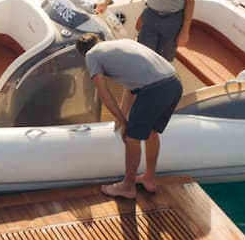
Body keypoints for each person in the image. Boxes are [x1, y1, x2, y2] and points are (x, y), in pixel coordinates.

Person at [75, 33, 183, 200]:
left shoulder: (91, 55)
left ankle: (127, 187)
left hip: (154, 90)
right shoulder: (122, 44)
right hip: (174, 84)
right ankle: (149, 178)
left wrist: (125, 123)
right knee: (151, 132)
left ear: (82, 54)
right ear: (100, 41)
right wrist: (122, 117)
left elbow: (104, 95)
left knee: (133, 138)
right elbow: (131, 88)